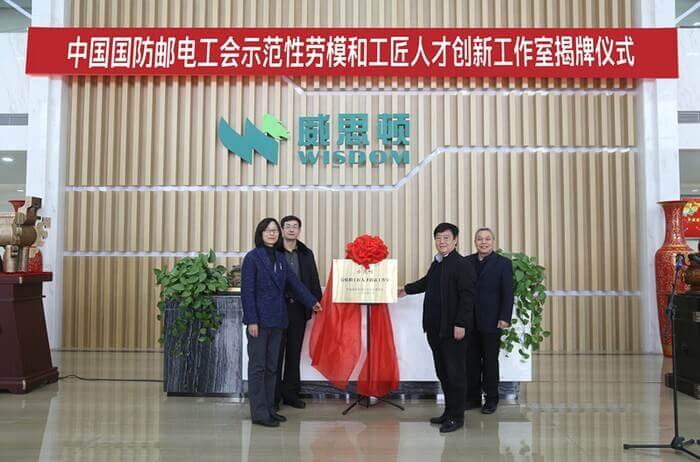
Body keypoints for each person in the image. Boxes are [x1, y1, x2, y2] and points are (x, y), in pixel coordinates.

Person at [241, 218, 322, 428]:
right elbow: (247, 292)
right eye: (268, 231)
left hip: (278, 319)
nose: (272, 234)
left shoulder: (279, 257)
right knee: (258, 367)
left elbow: (295, 283)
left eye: (275, 231)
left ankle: (269, 408)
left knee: (271, 367)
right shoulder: (252, 257)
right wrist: (251, 320)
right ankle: (259, 413)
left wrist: (312, 301)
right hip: (259, 322)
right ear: (260, 234)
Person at [398, 223, 476, 433]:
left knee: (455, 374)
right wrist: (406, 289)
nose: (441, 242)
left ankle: (457, 417)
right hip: (435, 328)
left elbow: (468, 297)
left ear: (455, 240)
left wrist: (461, 324)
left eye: (446, 238)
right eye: (438, 238)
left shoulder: (462, 265)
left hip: (453, 330)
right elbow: (427, 282)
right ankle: (448, 412)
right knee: (443, 373)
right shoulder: (438, 263)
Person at [274, 215, 323, 410]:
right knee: (275, 353)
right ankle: (273, 396)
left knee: (294, 353)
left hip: (298, 308)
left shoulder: (305, 253)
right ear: (282, 230)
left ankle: (291, 395)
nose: (291, 229)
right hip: (277, 308)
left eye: (295, 226)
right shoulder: (273, 251)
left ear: (299, 230)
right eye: (288, 226)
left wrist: (315, 301)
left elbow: (313, 278)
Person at [464, 227, 514, 414]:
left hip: (492, 321)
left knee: (490, 362)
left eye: (487, 239)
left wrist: (505, 317)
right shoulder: (466, 262)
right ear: (475, 242)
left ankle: (491, 399)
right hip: (470, 321)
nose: (483, 242)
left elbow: (507, 293)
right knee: (471, 361)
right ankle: (473, 398)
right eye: (479, 239)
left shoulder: (503, 263)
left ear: (493, 242)